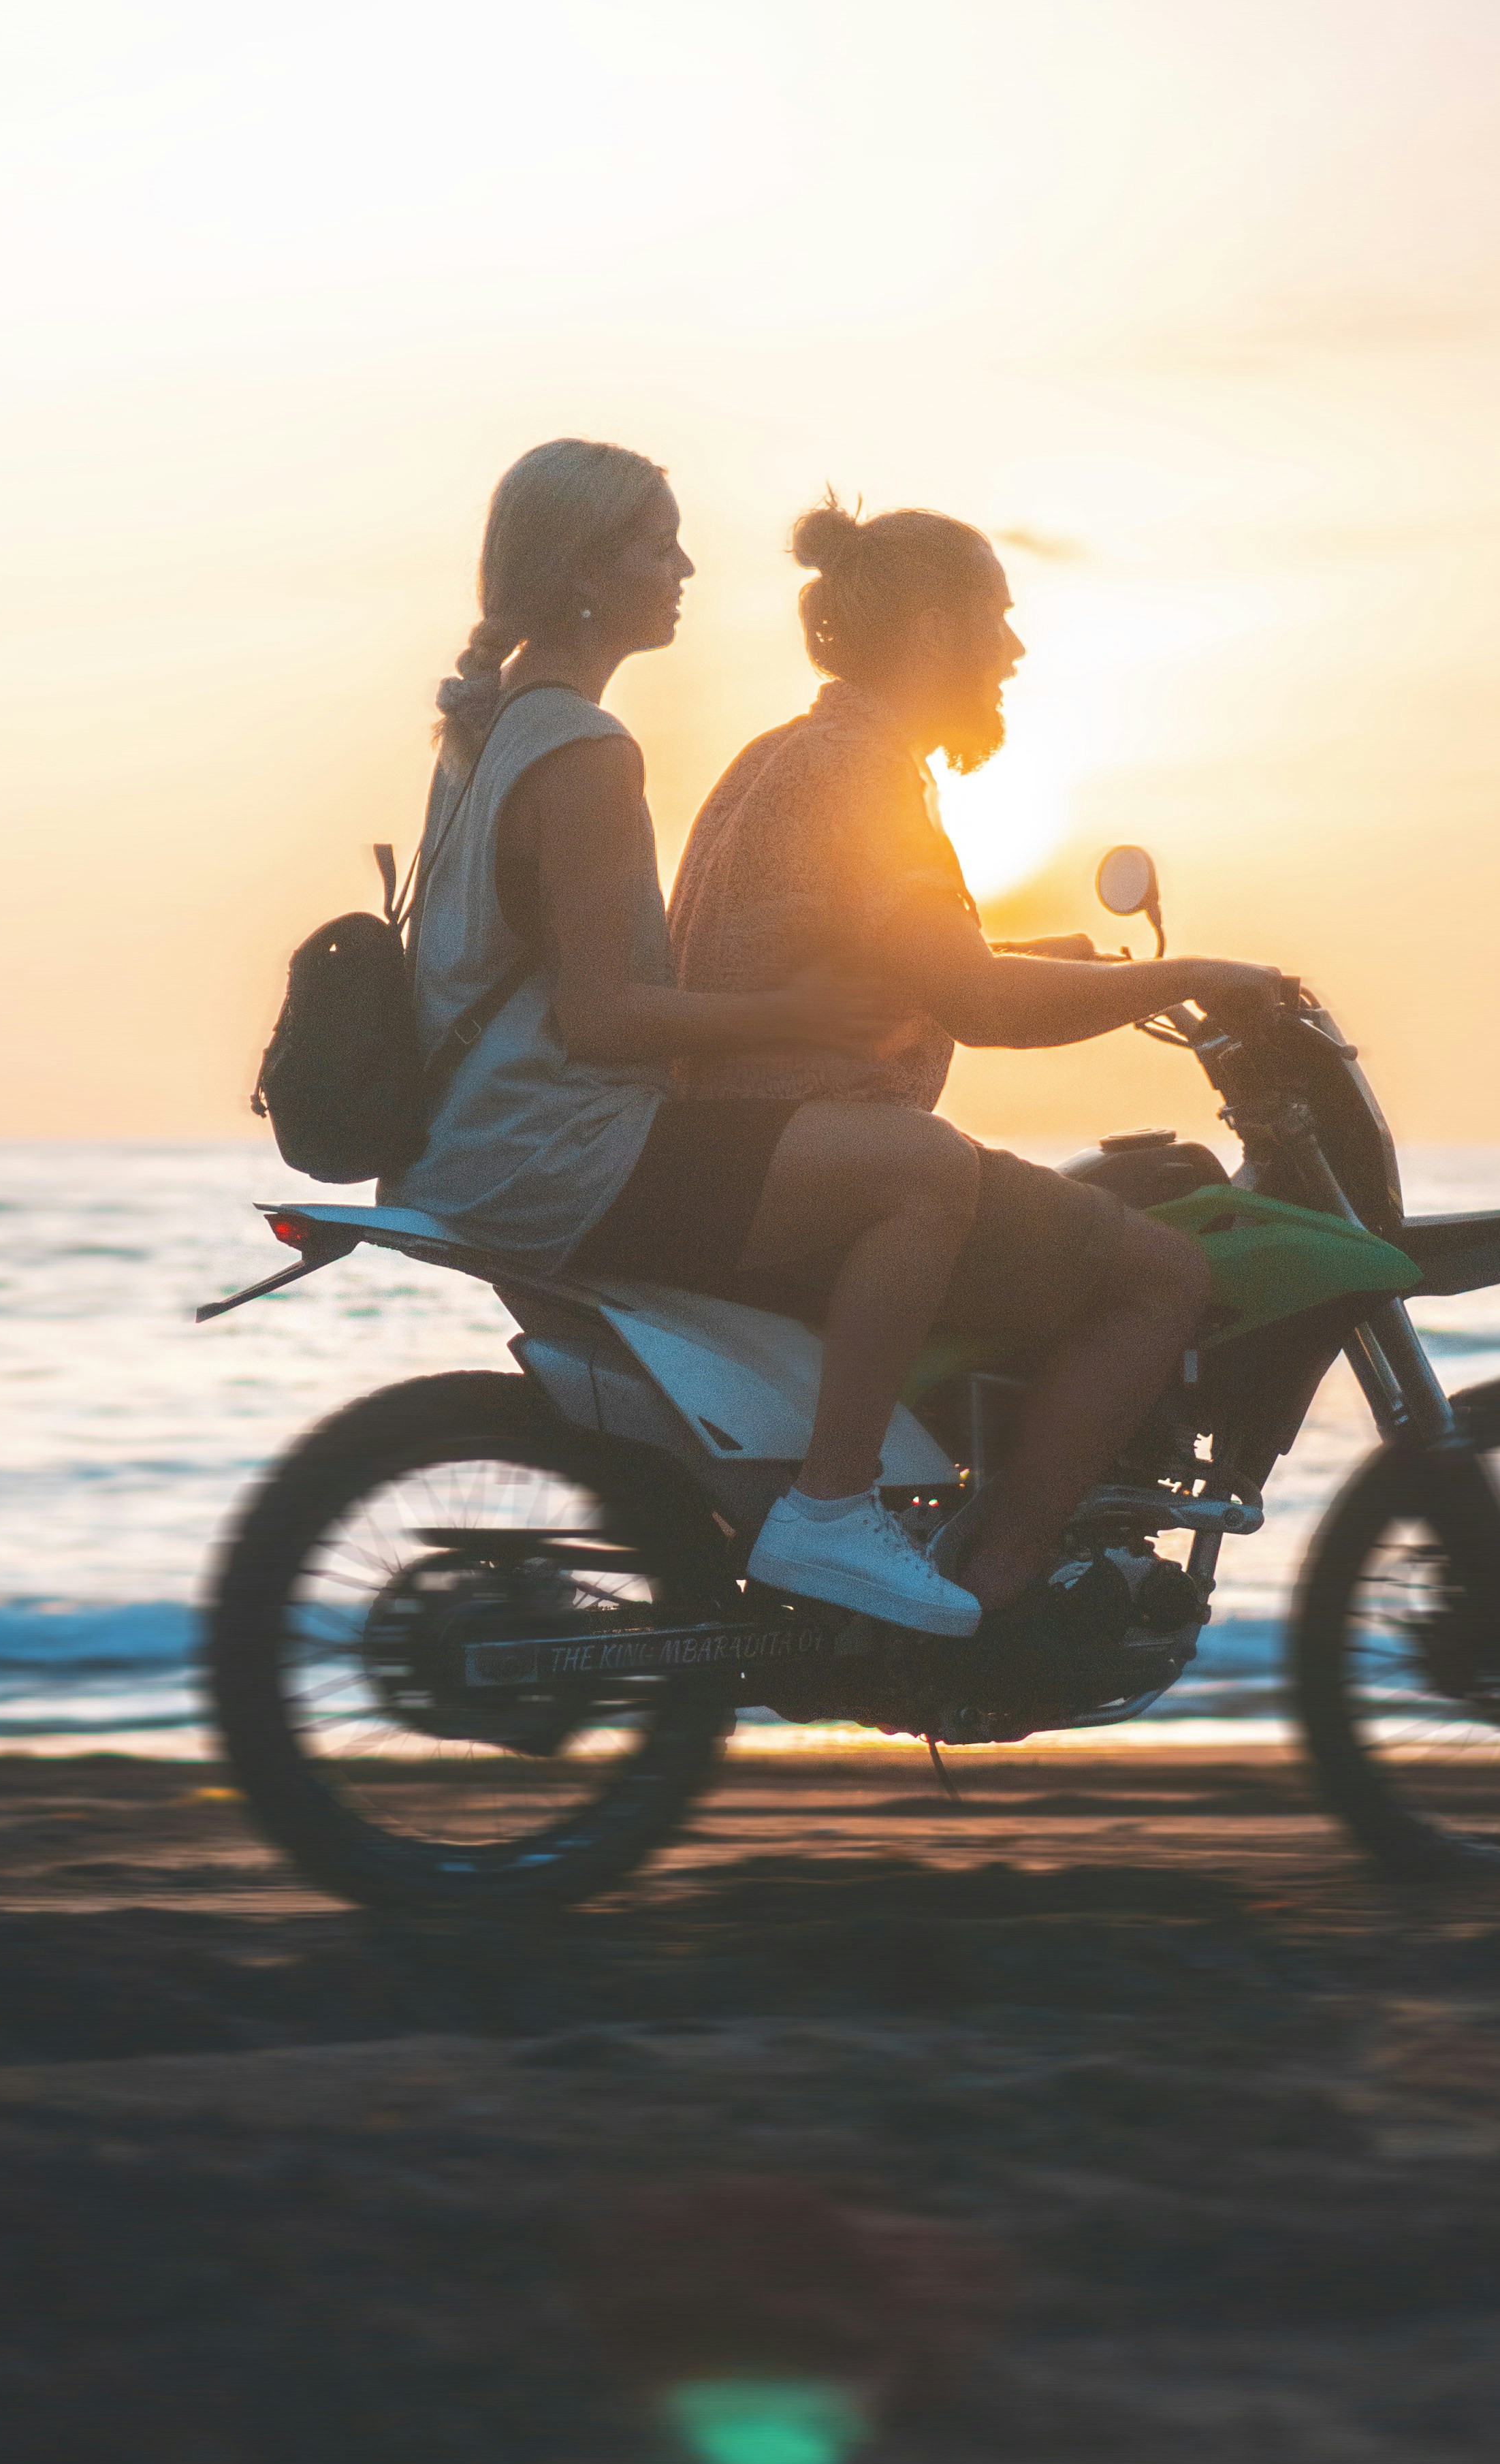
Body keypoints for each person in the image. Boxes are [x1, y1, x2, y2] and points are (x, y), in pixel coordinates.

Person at [389, 437, 995, 1638]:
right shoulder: (583, 752)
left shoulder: (496, 727)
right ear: (582, 569)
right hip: (556, 1150)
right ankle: (832, 1509)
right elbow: (604, 1017)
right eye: (656, 542)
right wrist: (794, 1018)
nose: (685, 566)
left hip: (480, 1146)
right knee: (926, 1175)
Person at [665, 495, 1283, 1622]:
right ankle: (1000, 1599)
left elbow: (909, 953)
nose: (1014, 650)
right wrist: (1185, 973)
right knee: (1162, 1273)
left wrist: (1076, 960)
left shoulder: (798, 752)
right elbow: (980, 1001)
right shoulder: (865, 773)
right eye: (997, 620)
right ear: (938, 630)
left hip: (745, 1153)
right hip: (813, 1159)